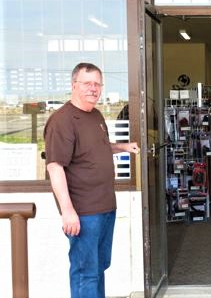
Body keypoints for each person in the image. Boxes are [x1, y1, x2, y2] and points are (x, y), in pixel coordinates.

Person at [44, 63, 140, 298]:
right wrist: (67, 211)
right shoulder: (62, 121)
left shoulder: (95, 114)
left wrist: (122, 147)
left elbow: (97, 148)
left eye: (97, 84)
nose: (93, 88)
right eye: (87, 83)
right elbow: (55, 167)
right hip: (84, 212)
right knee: (85, 271)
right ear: (74, 85)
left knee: (99, 268)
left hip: (106, 206)